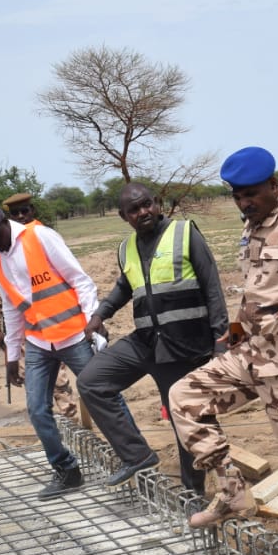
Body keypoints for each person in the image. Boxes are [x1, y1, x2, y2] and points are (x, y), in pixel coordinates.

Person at [169, 147, 278, 536]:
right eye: (237, 196)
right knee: (185, 397)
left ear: (274, 184)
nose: (244, 203)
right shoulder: (253, 224)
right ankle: (232, 492)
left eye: (251, 194)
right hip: (250, 352)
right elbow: (257, 291)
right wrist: (234, 333)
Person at [76, 183, 229, 494]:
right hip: (145, 341)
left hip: (184, 346)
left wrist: (221, 342)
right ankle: (138, 456)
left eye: (147, 204)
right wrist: (99, 315)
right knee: (91, 382)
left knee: (184, 420)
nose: (142, 212)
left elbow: (212, 287)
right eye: (134, 209)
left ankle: (193, 492)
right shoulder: (126, 248)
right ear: (123, 216)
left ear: (157, 204)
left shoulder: (185, 233)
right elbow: (124, 286)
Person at [0, 202, 102, 499]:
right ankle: (67, 471)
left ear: (5, 223)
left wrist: (92, 321)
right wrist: (12, 355)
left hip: (72, 335)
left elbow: (80, 279)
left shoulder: (40, 237)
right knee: (37, 409)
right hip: (39, 343)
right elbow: (11, 307)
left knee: (103, 394)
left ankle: (135, 458)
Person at [0, 193, 82, 421]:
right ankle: (55, 432)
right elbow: (0, 294)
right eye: (16, 214)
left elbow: (74, 280)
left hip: (62, 328)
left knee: (63, 384)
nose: (21, 217)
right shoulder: (2, 252)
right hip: (32, 334)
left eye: (25, 211)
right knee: (36, 391)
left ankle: (73, 425)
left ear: (33, 211)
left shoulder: (45, 238)